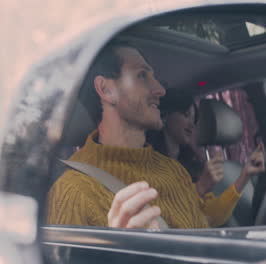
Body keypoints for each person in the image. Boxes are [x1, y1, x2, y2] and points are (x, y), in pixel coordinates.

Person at [47, 40, 237, 229]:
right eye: (142, 76)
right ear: (106, 90)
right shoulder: (72, 191)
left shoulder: (173, 170)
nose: (160, 91)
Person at [146, 90, 266, 226]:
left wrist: (244, 176)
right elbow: (168, 222)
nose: (192, 124)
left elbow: (211, 218)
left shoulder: (191, 166)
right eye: (186, 115)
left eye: (194, 119)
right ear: (165, 116)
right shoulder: (150, 170)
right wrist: (200, 187)